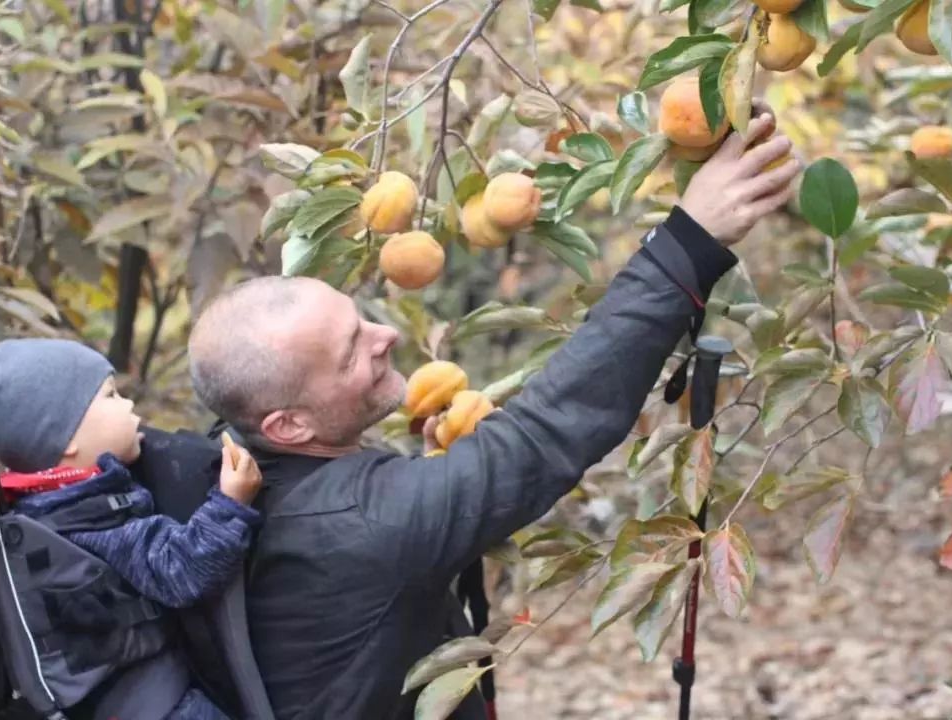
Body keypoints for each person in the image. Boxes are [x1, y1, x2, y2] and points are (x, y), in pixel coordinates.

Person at [187, 110, 799, 720]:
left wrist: (431, 475)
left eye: (361, 318)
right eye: (353, 350)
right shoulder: (363, 525)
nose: (386, 336)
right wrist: (687, 244)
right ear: (287, 426)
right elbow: (545, 433)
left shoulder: (222, 483)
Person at [0, 338, 263, 719]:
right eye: (111, 395)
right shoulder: (88, 517)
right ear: (66, 439)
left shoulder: (35, 511)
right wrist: (231, 503)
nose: (129, 404)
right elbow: (181, 571)